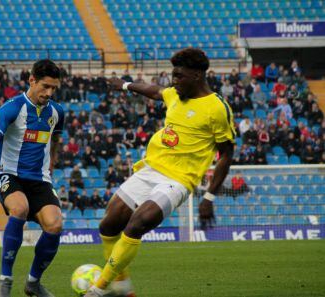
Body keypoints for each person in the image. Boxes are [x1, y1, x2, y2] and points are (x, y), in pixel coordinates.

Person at [84, 48, 235, 297]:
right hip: (151, 168)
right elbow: (154, 91)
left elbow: (226, 154)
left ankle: (97, 290)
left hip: (179, 180)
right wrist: (125, 85)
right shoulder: (175, 94)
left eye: (179, 76)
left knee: (138, 223)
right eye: (173, 76)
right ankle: (124, 289)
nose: (173, 81)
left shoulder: (217, 108)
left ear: (197, 75)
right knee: (109, 224)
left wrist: (209, 197)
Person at [0, 59, 64, 297]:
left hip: (40, 179)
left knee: (55, 224)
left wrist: (52, 162)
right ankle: (5, 280)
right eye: (45, 86)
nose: (49, 92)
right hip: (8, 173)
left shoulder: (56, 112)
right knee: (20, 208)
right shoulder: (12, 108)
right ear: (31, 80)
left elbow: (55, 140)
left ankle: (33, 282)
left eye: (54, 88)